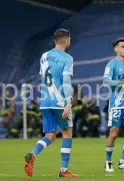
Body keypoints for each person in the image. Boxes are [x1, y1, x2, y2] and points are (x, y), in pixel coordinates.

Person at [24, 29, 79, 178]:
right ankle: (63, 170)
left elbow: (44, 77)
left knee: (50, 135)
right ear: (66, 40)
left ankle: (33, 154)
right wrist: (68, 102)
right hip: (60, 101)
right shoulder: (67, 58)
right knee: (67, 133)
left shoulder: (44, 56)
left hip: (46, 101)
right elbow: (66, 82)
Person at [103, 37, 124, 172]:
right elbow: (106, 81)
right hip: (116, 104)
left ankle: (122, 161)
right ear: (116, 49)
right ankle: (108, 161)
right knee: (114, 134)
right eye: (122, 46)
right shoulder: (111, 64)